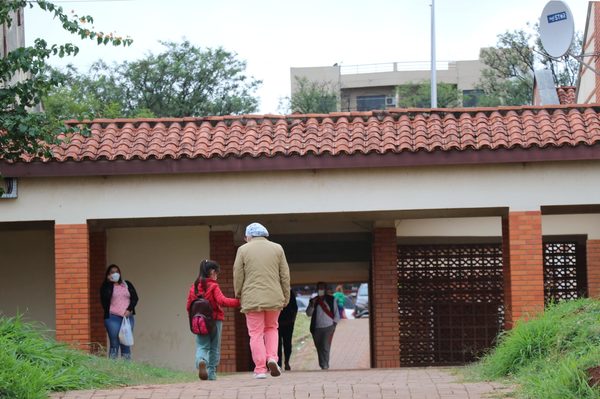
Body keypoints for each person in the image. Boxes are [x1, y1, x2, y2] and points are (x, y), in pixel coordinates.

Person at [233, 222, 291, 379]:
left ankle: (260, 369)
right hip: (274, 296)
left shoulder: (243, 250)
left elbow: (238, 274)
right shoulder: (277, 248)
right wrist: (286, 296)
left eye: (246, 237)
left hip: (252, 298)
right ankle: (272, 358)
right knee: (272, 328)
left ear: (250, 236)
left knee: (256, 333)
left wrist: (239, 294)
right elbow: (284, 275)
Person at [186, 259, 240, 381]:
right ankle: (211, 373)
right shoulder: (213, 286)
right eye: (216, 272)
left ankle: (201, 360)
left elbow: (188, 306)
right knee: (214, 347)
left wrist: (196, 320)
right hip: (215, 321)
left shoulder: (193, 287)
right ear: (211, 272)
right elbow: (222, 301)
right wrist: (239, 302)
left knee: (202, 346)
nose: (217, 275)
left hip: (198, 321)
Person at [100, 264, 139, 359]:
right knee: (114, 343)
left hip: (127, 317)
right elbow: (104, 299)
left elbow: (135, 298)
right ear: (108, 275)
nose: (115, 274)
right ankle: (113, 367)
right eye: (112, 272)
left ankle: (126, 368)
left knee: (126, 342)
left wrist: (129, 310)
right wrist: (109, 283)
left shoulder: (126, 284)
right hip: (113, 317)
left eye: (117, 271)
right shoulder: (106, 286)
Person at [306, 282, 340, 370]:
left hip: (328, 327)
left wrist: (334, 326)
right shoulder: (313, 300)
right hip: (316, 328)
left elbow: (337, 314)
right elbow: (308, 314)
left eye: (322, 288)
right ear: (317, 289)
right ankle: (322, 364)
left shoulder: (332, 299)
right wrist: (312, 305)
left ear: (325, 289)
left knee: (325, 346)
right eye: (319, 288)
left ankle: (325, 365)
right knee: (319, 347)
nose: (321, 290)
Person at [277, 288, 298, 371]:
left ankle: (287, 362)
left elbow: (295, 308)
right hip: (276, 323)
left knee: (287, 343)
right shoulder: (275, 291)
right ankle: (278, 364)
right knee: (277, 345)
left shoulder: (290, 293)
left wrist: (292, 319)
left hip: (288, 323)